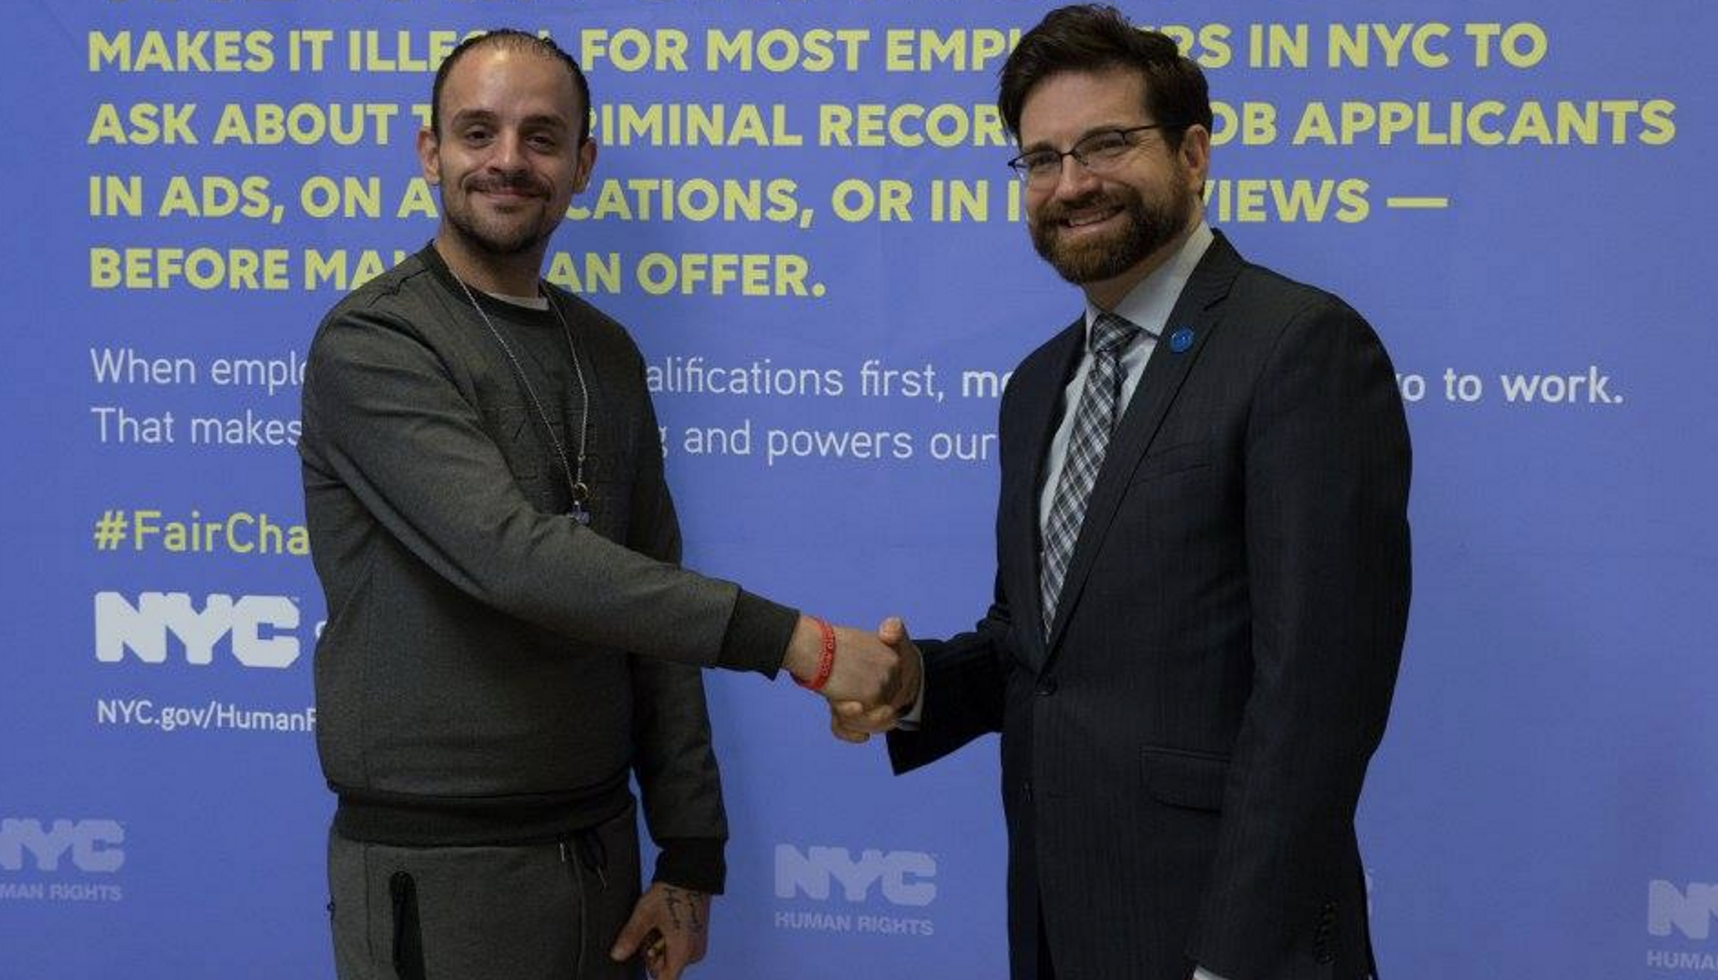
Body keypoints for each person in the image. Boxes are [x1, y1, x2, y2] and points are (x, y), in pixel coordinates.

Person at [298, 30, 914, 980]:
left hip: (603, 854)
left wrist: (691, 853)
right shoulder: (375, 341)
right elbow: (514, 556)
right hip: (443, 870)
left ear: (582, 165)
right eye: (478, 132)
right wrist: (799, 642)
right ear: (431, 153)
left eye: (543, 138)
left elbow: (651, 597)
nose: (509, 160)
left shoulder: (607, 351)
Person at [832, 7, 1412, 979]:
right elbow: (1035, 646)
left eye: (1105, 144)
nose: (1071, 184)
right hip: (1064, 923)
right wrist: (914, 687)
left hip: (1232, 939)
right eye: (1040, 159)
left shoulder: (1298, 347)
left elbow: (1317, 697)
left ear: (1192, 154)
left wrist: (1229, 958)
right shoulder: (1033, 386)